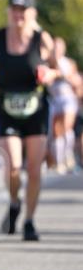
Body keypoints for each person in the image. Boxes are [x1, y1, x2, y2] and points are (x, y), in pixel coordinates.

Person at [0, 0, 58, 241]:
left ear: (32, 14)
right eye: (14, 9)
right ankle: (14, 202)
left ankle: (30, 221)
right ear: (9, 13)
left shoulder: (42, 39)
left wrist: (48, 73)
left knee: (33, 169)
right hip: (6, 105)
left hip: (36, 106)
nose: (18, 14)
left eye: (23, 10)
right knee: (13, 166)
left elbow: (57, 68)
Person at [48, 37, 80, 174]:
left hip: (68, 99)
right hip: (55, 100)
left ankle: (68, 156)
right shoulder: (49, 64)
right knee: (56, 131)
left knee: (66, 128)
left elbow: (77, 82)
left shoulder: (69, 63)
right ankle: (59, 161)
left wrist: (65, 75)